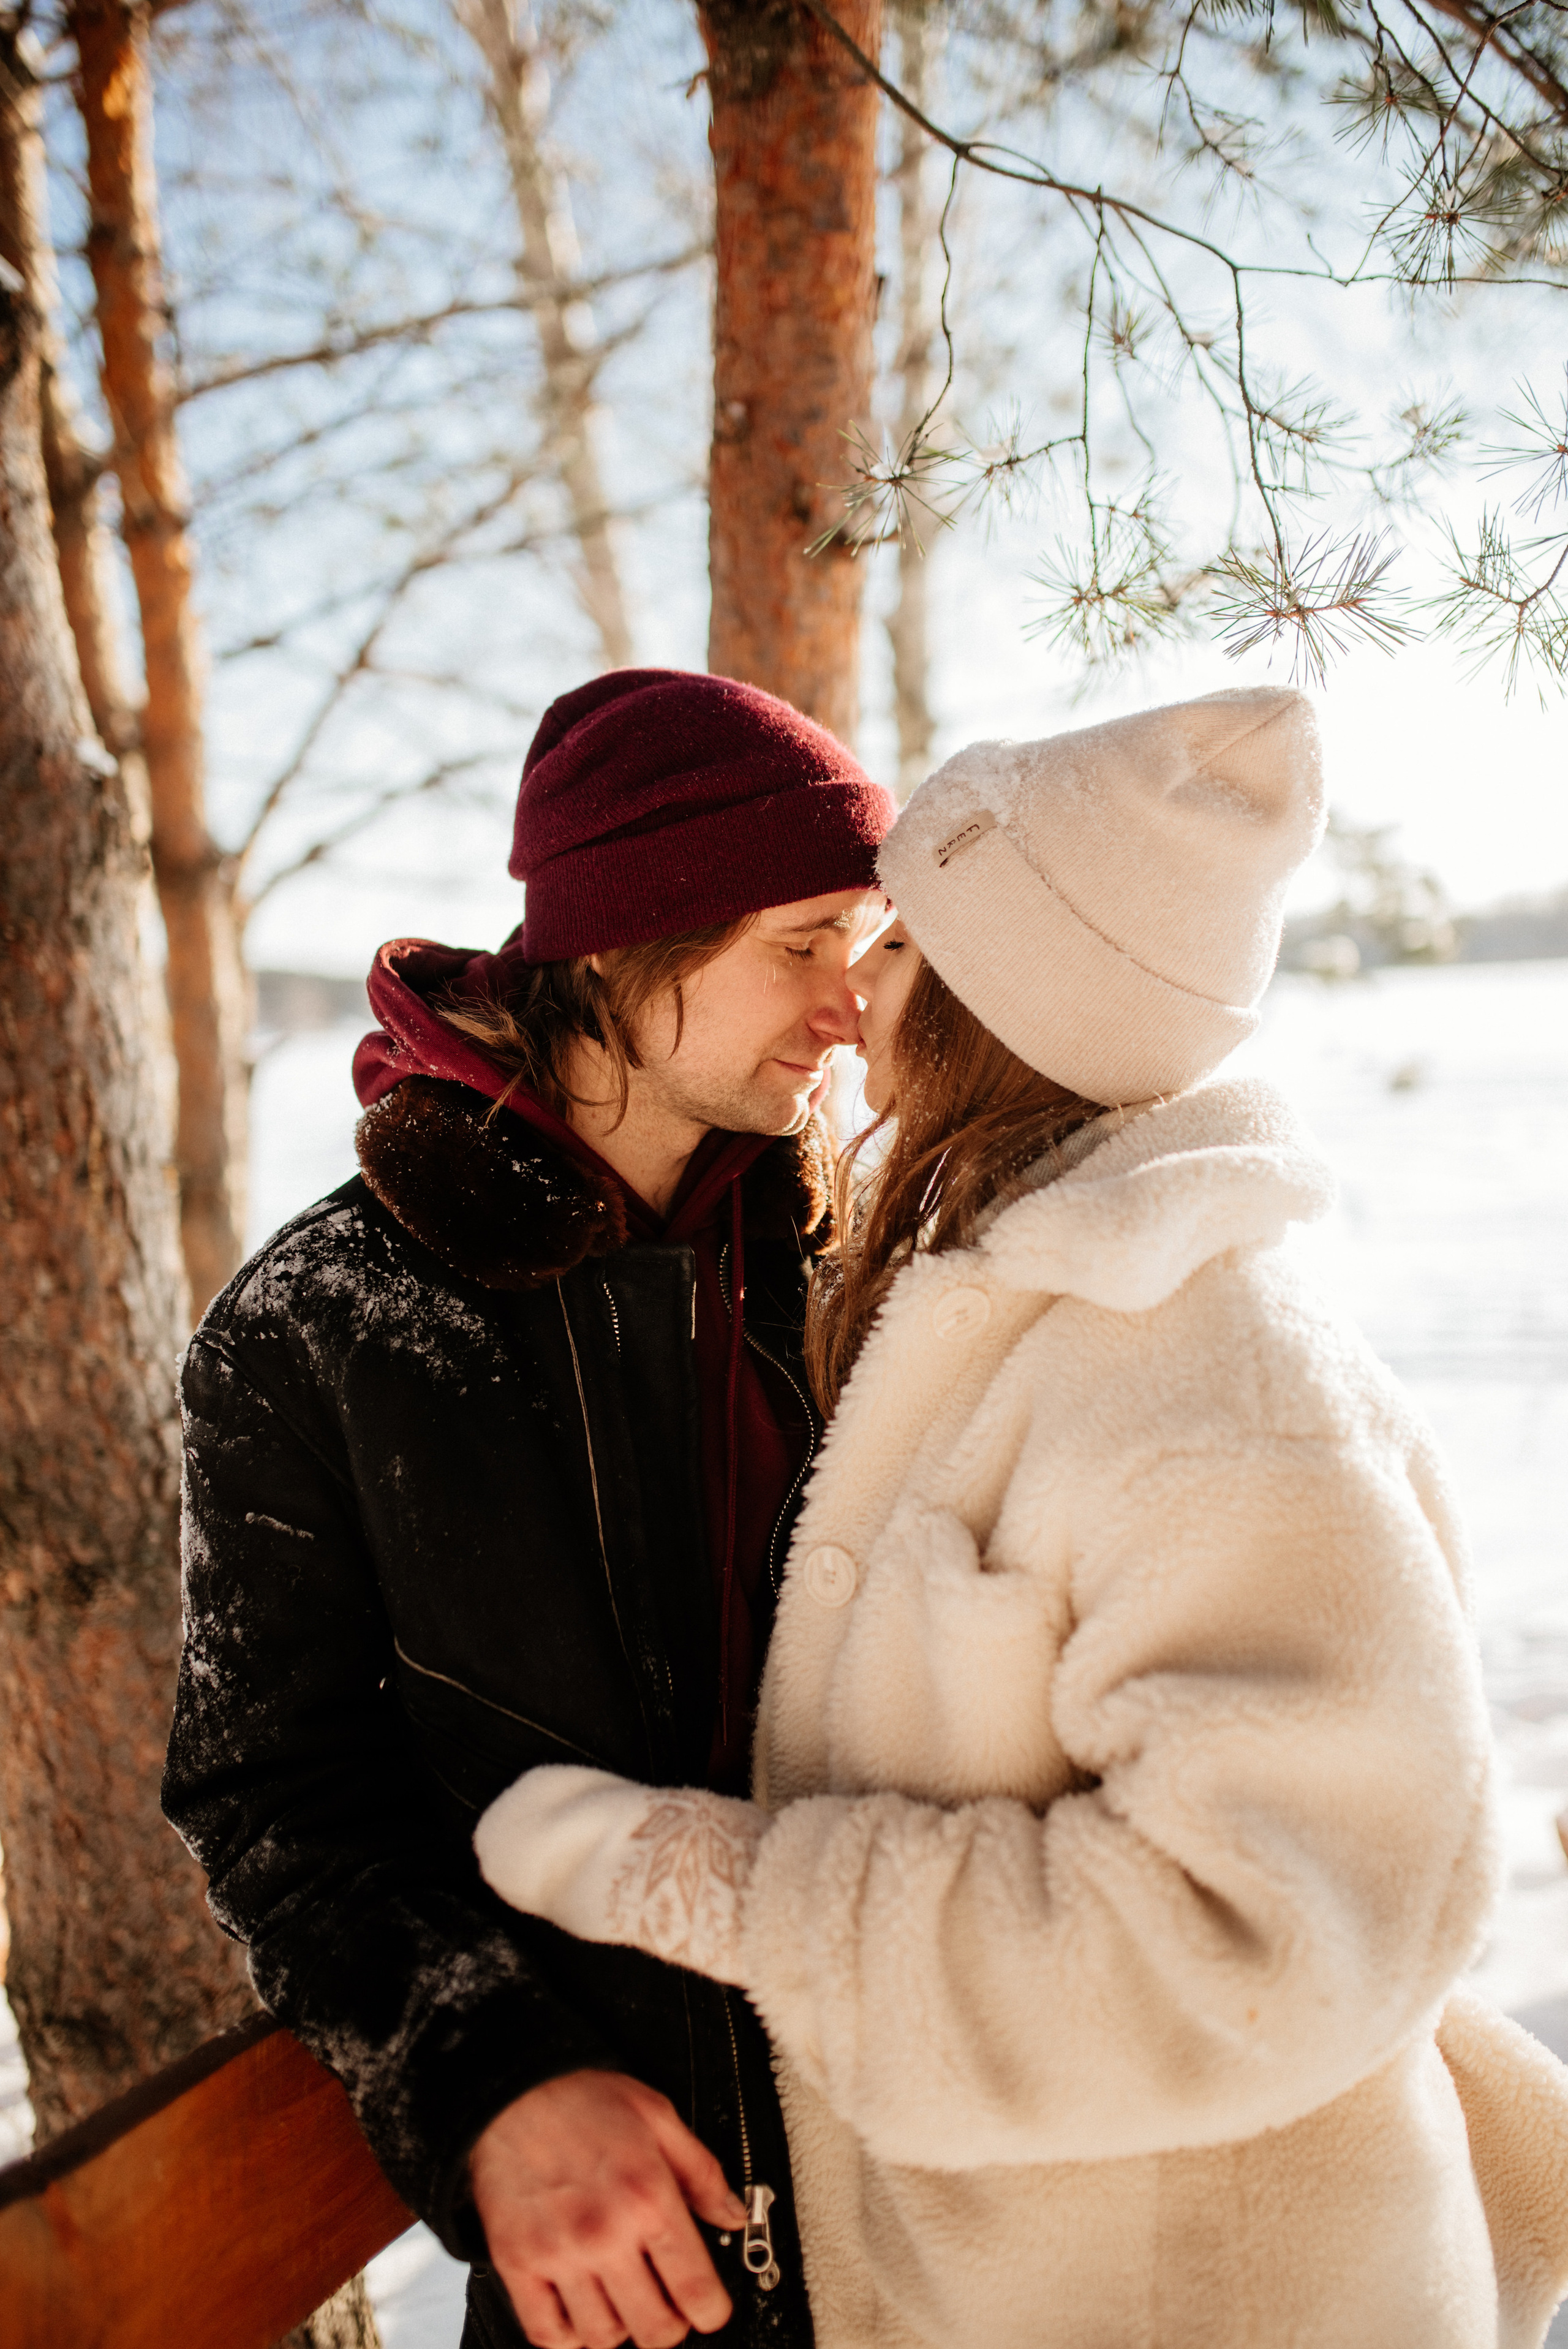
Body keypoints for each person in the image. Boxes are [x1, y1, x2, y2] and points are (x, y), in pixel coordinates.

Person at [473, 684, 1568, 2349]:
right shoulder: (1015, 1311)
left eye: (900, 947)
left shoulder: (1208, 1379)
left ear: (1010, 1008)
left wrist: (719, 1885)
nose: (853, 1002)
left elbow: (1261, 1931)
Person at [162, 668, 897, 2349]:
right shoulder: (323, 1326)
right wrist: (490, 2078)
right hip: (633, 2271)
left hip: (950, 2225)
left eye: (861, 947)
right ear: (637, 939)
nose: (846, 1007)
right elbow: (276, 1799)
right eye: (802, 942)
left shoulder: (851, 1278)